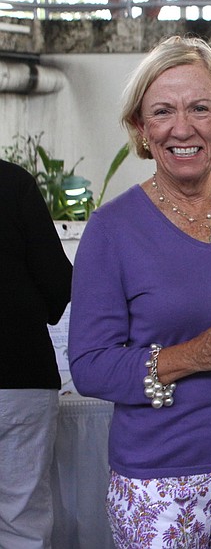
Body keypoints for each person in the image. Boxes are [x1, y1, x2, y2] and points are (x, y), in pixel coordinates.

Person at [68, 36, 211, 548]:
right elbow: (89, 366)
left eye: (200, 108)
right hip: (157, 474)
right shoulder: (112, 229)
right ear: (141, 129)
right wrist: (195, 355)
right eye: (162, 112)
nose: (182, 127)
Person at [0, 159, 72, 549]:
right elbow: (57, 282)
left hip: (19, 379)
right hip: (18, 372)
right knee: (21, 524)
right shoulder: (12, 183)